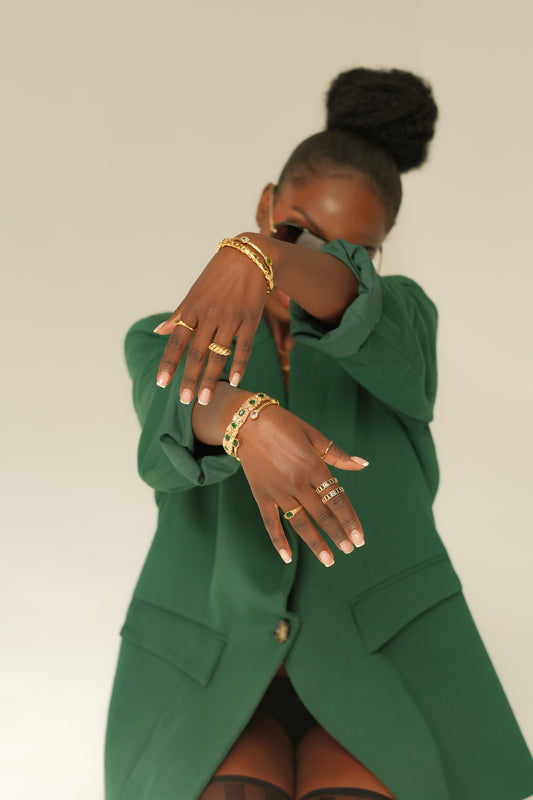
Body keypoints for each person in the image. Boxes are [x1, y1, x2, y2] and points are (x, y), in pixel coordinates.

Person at [105, 68, 533, 800]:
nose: (319, 259)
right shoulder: (164, 336)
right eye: (295, 227)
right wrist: (248, 422)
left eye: (353, 251)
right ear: (265, 201)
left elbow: (345, 297)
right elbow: (175, 421)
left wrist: (261, 251)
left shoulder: (400, 326)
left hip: (378, 671)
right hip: (215, 672)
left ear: (377, 259)